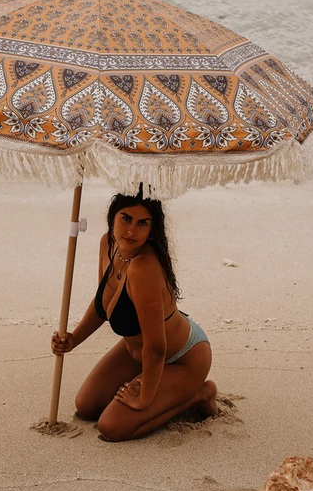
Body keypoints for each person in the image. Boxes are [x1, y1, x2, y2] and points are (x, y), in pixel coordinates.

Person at [51, 189, 217, 441]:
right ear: (112, 217)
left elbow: (156, 346)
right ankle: (165, 393)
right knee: (86, 406)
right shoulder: (108, 244)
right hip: (137, 352)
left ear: (152, 229)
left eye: (143, 223)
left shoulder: (144, 268)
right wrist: (74, 339)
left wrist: (144, 398)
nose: (131, 231)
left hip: (180, 358)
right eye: (125, 219)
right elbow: (103, 305)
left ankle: (198, 395)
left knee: (112, 427)